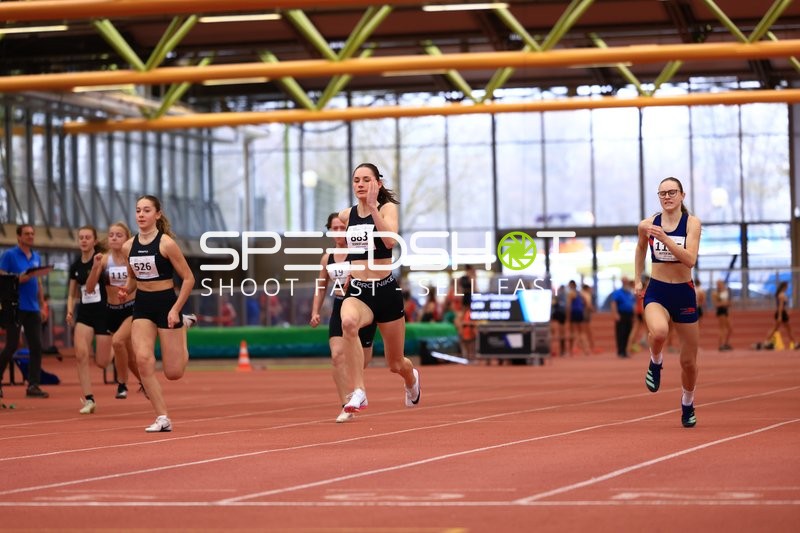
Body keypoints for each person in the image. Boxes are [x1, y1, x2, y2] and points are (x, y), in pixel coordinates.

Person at [338, 163, 420, 414]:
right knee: (348, 323)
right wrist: (342, 268)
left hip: (385, 291)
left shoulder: (387, 209)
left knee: (395, 363)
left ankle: (411, 379)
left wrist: (373, 208)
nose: (360, 184)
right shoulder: (346, 215)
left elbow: (389, 241)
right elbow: (340, 240)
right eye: (356, 180)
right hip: (360, 291)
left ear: (378, 184)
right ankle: (359, 391)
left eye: (366, 180)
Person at [121, 195, 194, 432]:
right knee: (143, 360)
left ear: (157, 215)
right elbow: (133, 279)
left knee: (173, 373)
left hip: (166, 304)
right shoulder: (128, 246)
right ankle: (162, 417)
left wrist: (175, 310)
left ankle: (183, 325)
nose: (141, 215)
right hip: (142, 304)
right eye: (138, 210)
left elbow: (188, 279)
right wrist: (126, 291)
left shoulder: (166, 244)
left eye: (146, 210)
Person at [635, 177, 701, 428]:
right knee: (659, 332)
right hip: (658, 290)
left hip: (684, 292)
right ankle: (656, 360)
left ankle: (687, 402)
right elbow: (640, 248)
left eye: (672, 192)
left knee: (688, 362)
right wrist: (637, 279)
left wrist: (666, 238)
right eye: (662, 193)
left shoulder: (692, 224)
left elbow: (690, 259)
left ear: (682, 195)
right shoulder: (648, 224)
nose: (667, 196)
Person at [309, 212, 377, 423]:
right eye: (335, 228)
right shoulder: (326, 258)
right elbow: (321, 288)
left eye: (342, 227)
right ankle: (345, 405)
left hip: (362, 307)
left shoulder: (359, 253)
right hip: (339, 308)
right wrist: (315, 311)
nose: (339, 232)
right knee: (337, 356)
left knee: (363, 360)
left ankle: (357, 390)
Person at [85, 221, 142, 400]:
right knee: (131, 357)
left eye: (119, 235)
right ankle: (146, 383)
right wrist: (94, 267)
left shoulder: (132, 259)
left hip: (131, 309)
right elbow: (89, 288)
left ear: (127, 239)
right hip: (112, 311)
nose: (114, 238)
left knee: (117, 342)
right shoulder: (103, 259)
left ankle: (122, 384)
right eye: (111, 235)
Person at [66, 225, 112, 414]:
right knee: (81, 355)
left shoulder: (103, 261)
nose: (84, 240)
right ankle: (89, 399)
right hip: (84, 314)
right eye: (81, 238)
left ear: (94, 241)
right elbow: (72, 293)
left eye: (87, 237)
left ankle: (116, 348)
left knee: (102, 362)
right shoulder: (75, 266)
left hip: (103, 313)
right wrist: (69, 311)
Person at [0, 224, 50, 398]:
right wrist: (17, 278)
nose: (30, 236)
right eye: (27, 234)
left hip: (33, 308)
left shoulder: (35, 256)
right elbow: (1, 273)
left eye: (32, 233)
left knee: (36, 346)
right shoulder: (9, 255)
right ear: (19, 237)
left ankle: (33, 385)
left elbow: (38, 282)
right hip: (15, 306)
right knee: (12, 345)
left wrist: (42, 303)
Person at [763, 281, 796, 349]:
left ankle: (795, 343)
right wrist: (780, 316)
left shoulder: (781, 294)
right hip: (781, 313)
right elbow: (780, 306)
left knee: (778, 329)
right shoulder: (781, 295)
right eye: (787, 286)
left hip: (782, 313)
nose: (787, 288)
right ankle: (795, 343)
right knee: (786, 329)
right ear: (784, 287)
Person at [609, 276, 635, 358]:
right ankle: (621, 351)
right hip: (621, 314)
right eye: (624, 281)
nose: (626, 282)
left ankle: (626, 350)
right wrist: (615, 314)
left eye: (626, 281)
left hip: (629, 314)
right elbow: (613, 303)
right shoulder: (618, 292)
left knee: (628, 332)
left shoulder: (630, 292)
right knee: (621, 333)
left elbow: (633, 303)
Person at [565, 280, 590, 356]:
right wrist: (583, 309)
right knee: (581, 332)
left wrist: (568, 316)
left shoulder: (571, 293)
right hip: (580, 312)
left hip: (574, 313)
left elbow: (569, 305)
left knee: (572, 332)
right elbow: (585, 302)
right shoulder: (580, 293)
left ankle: (570, 351)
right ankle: (586, 349)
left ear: (570, 285)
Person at [627, 275, 649, 354]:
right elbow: (642, 303)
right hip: (642, 312)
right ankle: (643, 340)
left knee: (635, 330)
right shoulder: (645, 291)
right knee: (649, 329)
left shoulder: (638, 291)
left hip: (638, 312)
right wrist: (644, 314)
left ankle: (629, 347)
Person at [711, 278, 733, 351]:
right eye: (718, 284)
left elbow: (729, 303)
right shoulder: (715, 293)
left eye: (720, 284)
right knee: (722, 329)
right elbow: (716, 304)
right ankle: (721, 345)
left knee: (730, 329)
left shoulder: (726, 291)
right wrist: (724, 303)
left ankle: (726, 343)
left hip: (726, 311)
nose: (719, 285)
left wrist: (727, 303)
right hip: (721, 312)